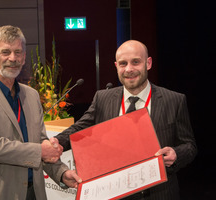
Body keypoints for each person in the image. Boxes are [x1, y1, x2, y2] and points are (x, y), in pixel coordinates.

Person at [55, 40, 197, 199]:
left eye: (136, 62)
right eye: (123, 64)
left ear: (148, 63)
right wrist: (56, 142)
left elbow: (190, 145)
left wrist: (176, 154)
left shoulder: (174, 100)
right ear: (116, 66)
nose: (129, 69)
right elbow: (79, 129)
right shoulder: (102, 98)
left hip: (161, 193)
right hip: (114, 194)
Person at [0, 25, 81, 200]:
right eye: (5, 52)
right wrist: (41, 150)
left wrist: (61, 173)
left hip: (34, 193)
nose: (13, 58)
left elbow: (40, 141)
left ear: (24, 58)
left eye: (18, 52)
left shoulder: (31, 95)